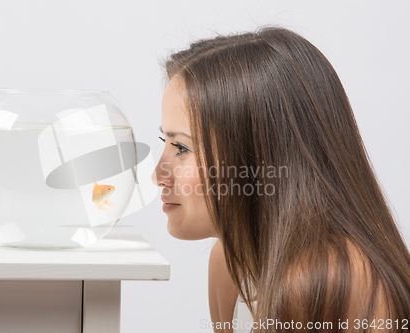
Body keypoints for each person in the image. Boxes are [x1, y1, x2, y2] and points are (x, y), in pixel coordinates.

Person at [151, 26, 410, 333]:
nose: (158, 176)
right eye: (164, 142)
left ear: (256, 156)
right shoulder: (229, 264)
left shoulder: (325, 281)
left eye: (181, 147)